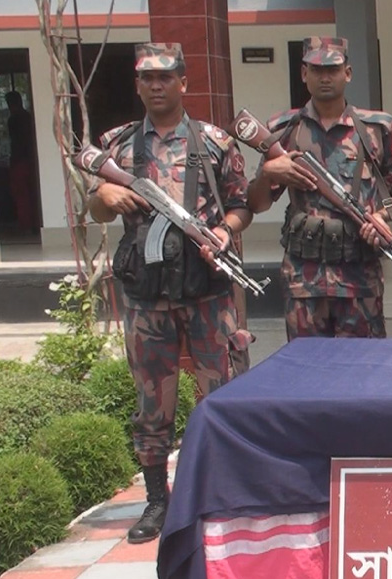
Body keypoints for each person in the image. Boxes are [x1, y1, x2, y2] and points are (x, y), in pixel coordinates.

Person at [87, 43, 253, 544]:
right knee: (152, 402)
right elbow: (96, 208)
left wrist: (224, 230)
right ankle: (158, 500)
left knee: (222, 393)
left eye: (166, 77)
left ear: (184, 81)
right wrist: (104, 195)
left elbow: (243, 205)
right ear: (137, 85)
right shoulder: (116, 145)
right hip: (147, 296)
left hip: (207, 292)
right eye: (147, 78)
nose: (157, 85)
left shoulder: (215, 142)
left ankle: (225, 492)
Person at [247, 37, 392, 340]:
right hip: (303, 279)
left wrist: (381, 218)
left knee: (364, 365)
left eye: (332, 70)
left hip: (359, 278)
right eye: (317, 70)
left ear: (347, 73)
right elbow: (257, 204)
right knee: (306, 366)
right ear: (304, 74)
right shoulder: (284, 129)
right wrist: (269, 173)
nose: (325, 77)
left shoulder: (375, 129)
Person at [5, 90, 38, 234]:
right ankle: (33, 224)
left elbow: (16, 142)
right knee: (31, 193)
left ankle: (26, 225)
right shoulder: (28, 117)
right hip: (30, 160)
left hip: (20, 161)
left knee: (21, 195)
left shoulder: (14, 120)